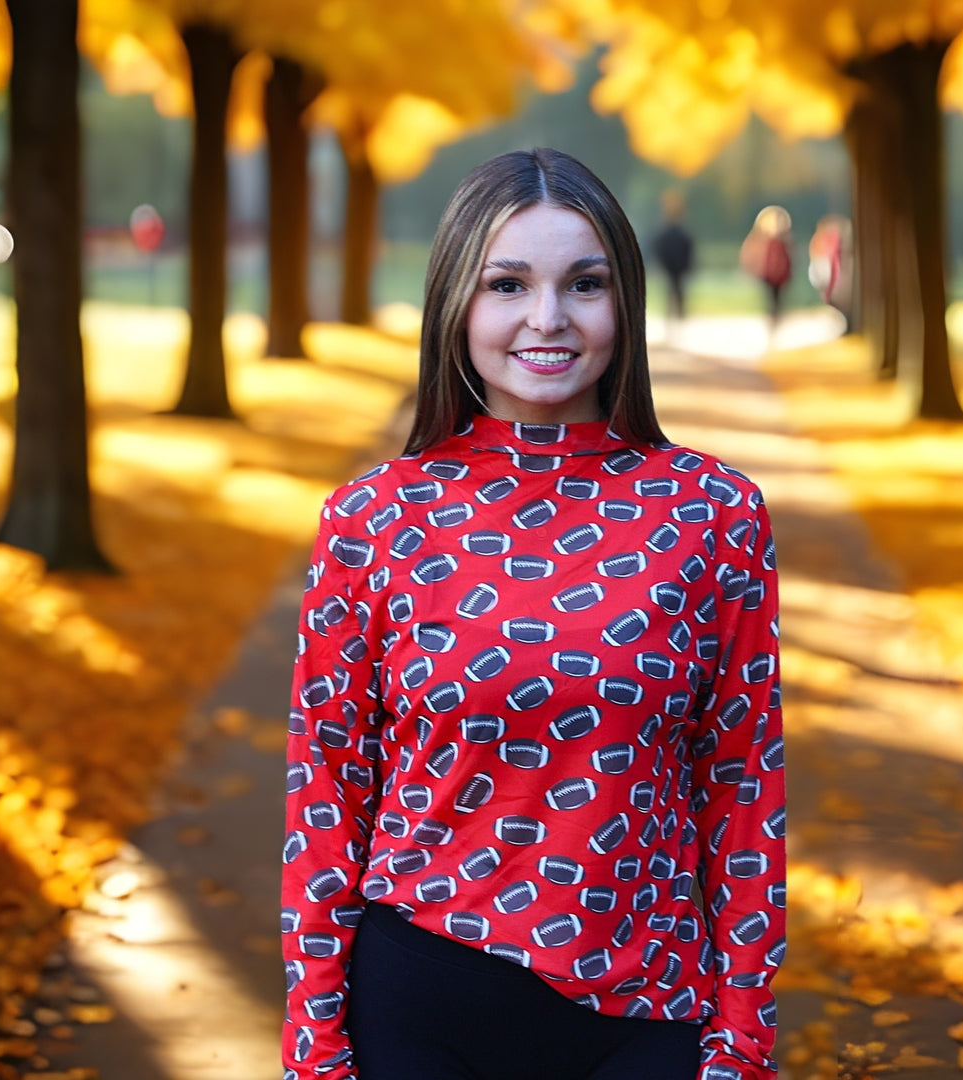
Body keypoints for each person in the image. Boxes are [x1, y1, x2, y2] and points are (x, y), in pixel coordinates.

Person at [282, 148, 785, 1080]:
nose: (547, 318)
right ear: (456, 303)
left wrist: (742, 1039)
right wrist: (314, 1047)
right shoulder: (372, 518)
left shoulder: (715, 513)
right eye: (507, 284)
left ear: (624, 300)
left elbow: (743, 784)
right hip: (419, 1003)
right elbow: (327, 789)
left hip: (647, 1006)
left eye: (584, 284)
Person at [739, 206, 793, 328]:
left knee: (776, 298)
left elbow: (788, 258)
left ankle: (775, 318)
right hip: (768, 274)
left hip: (779, 275)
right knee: (771, 298)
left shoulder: (783, 241)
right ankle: (773, 318)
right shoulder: (763, 241)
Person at [652, 189, 696, 324]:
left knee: (673, 290)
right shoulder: (679, 234)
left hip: (672, 265)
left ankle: (676, 314)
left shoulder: (667, 234)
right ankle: (678, 314)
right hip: (675, 265)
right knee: (676, 290)